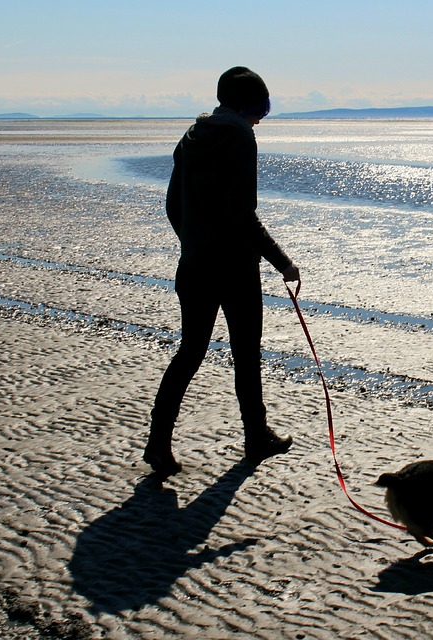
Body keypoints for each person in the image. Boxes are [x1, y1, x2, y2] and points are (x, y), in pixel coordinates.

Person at [145, 66, 300, 481]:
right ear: (251, 105)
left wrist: (193, 244)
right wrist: (282, 262)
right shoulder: (239, 136)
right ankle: (255, 437)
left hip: (194, 265)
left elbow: (172, 207)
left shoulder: (192, 135)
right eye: (262, 108)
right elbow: (242, 213)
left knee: (190, 352)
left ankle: (158, 442)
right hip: (233, 268)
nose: (263, 117)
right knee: (246, 355)